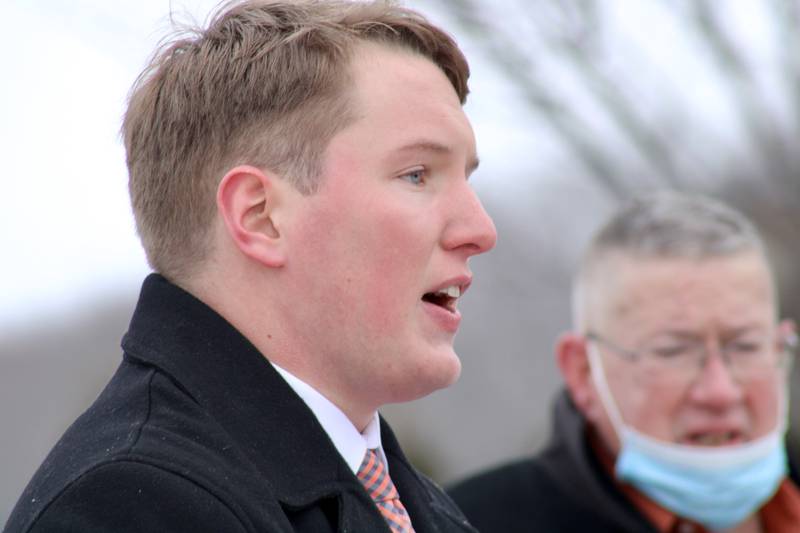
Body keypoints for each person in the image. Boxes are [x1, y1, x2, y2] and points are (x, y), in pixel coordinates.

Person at [4, 1, 496, 531]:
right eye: (417, 174)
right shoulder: (133, 506)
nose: (480, 230)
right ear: (260, 216)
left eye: (466, 177)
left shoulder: (413, 504)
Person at [449, 191, 800, 533]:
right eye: (672, 352)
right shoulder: (459, 523)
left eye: (745, 346)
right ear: (584, 372)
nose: (720, 392)